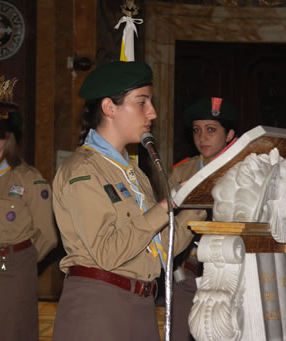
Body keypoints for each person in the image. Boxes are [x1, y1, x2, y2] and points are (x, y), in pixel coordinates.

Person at [52, 61, 206, 341]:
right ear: (110, 107)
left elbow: (159, 250)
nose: (153, 113)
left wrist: (197, 205)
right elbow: (108, 252)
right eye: (142, 102)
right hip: (100, 306)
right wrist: (164, 206)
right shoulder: (83, 170)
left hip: (141, 303)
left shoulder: (134, 173)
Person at [169, 96, 238, 341]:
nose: (202, 137)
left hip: (231, 274)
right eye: (197, 130)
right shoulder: (182, 171)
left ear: (229, 135)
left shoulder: (242, 171)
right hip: (187, 273)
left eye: (211, 130)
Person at [0, 113, 58, 340]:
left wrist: (19, 261)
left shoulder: (28, 178)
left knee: (9, 332)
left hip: (11, 269)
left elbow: (47, 235)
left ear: (10, 136)